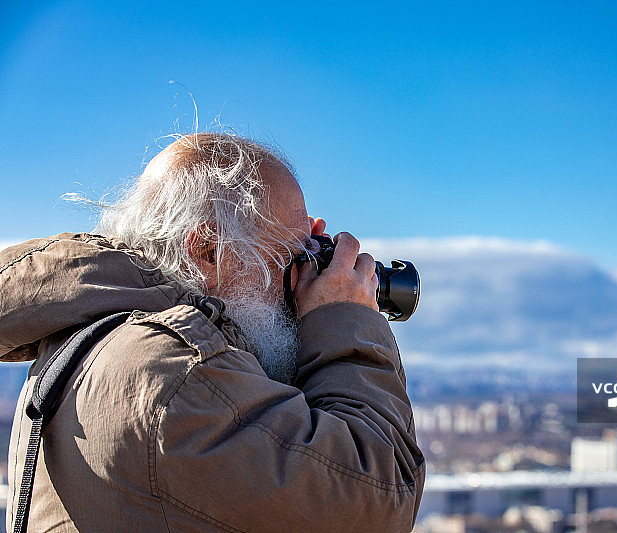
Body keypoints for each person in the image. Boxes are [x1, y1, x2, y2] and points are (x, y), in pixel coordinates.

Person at [1, 133, 425, 532]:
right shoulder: (176, 372)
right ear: (210, 251)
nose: (306, 277)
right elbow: (376, 494)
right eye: (293, 256)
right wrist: (343, 317)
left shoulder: (103, 339)